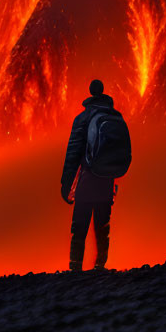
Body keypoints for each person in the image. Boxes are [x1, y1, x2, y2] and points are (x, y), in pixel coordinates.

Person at [60, 78, 128, 271]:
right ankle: (100, 266)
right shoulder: (115, 117)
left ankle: (76, 267)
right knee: (102, 227)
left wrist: (66, 186)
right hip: (106, 182)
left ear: (90, 93)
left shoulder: (83, 119)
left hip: (86, 181)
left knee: (79, 226)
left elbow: (73, 154)